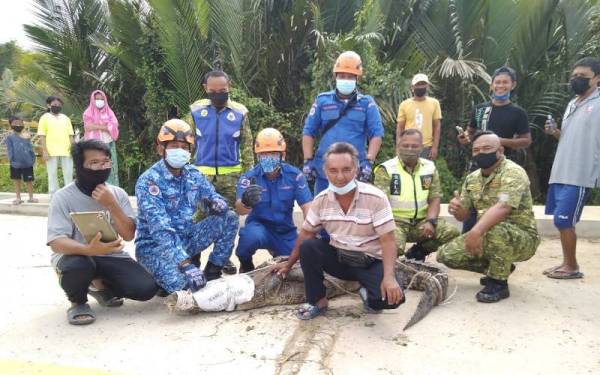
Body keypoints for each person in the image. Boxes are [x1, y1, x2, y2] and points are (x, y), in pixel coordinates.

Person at [272, 142, 404, 319]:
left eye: (346, 170)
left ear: (356, 169)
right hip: (339, 259)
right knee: (309, 246)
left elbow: (388, 241)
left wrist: (389, 277)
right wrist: (288, 264)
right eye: (333, 171)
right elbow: (306, 234)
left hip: (370, 261)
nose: (340, 177)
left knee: (392, 300)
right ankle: (317, 300)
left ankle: (367, 291)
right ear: (325, 172)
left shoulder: (376, 198)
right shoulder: (321, 200)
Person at [47, 139, 157, 325]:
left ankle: (100, 287)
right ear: (79, 166)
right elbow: (56, 242)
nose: (102, 167)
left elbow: (129, 234)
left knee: (146, 289)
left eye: (106, 162)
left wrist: (111, 205)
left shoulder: (118, 193)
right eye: (94, 163)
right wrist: (89, 249)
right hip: (76, 256)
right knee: (76, 266)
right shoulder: (63, 197)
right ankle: (78, 302)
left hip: (111, 255)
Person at [135, 119, 239, 295]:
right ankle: (167, 276)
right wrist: (185, 264)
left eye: (184, 147)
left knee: (229, 217)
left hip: (187, 239)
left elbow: (210, 196)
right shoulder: (148, 181)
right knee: (188, 291)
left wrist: (216, 202)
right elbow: (161, 230)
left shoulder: (193, 174)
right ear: (161, 148)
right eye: (174, 146)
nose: (180, 151)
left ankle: (213, 271)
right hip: (156, 249)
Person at [437, 132, 539, 303]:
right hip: (487, 235)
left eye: (486, 148)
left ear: (500, 151)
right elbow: (464, 216)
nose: (480, 153)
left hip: (521, 238)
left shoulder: (513, 172)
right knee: (446, 255)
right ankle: (499, 267)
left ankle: (498, 283)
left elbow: (503, 207)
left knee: (494, 228)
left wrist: (475, 232)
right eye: (476, 150)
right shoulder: (472, 179)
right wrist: (457, 209)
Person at [188, 70, 253, 274]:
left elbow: (247, 147)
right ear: (205, 89)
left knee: (228, 219)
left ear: (229, 87)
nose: (218, 94)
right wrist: (187, 174)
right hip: (201, 178)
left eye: (222, 91)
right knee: (198, 219)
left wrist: (248, 178)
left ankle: (222, 259)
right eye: (213, 91)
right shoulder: (196, 111)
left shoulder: (240, 112)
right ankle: (193, 259)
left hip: (231, 178)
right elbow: (188, 144)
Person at [542, 57, 600, 279]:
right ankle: (566, 263)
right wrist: (555, 131)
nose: (576, 80)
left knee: (563, 220)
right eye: (574, 76)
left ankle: (572, 266)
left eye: (582, 77)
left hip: (581, 174)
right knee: (561, 221)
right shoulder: (571, 103)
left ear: (597, 78)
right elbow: (567, 137)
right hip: (561, 171)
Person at [457, 66, 531, 233]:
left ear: (513, 85)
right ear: (491, 85)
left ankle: (498, 249)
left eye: (505, 82)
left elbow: (526, 140)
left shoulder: (518, 113)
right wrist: (464, 138)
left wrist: (498, 142)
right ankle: (467, 242)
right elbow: (470, 133)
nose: (500, 86)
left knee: (500, 205)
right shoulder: (480, 109)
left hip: (504, 166)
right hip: (478, 165)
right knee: (472, 204)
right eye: (497, 82)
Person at [302, 51, 384, 194]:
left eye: (350, 76)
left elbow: (376, 134)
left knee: (354, 212)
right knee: (323, 210)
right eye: (342, 75)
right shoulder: (322, 101)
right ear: (335, 76)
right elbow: (309, 132)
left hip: (355, 170)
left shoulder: (367, 103)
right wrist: (308, 160)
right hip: (324, 170)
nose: (346, 79)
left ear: (357, 78)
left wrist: (369, 161)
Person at [234, 128, 312, 273]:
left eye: (273, 153)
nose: (268, 157)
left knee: (298, 263)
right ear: (257, 156)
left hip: (285, 231)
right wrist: (246, 201)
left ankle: (279, 253)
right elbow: (240, 209)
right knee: (248, 238)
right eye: (264, 154)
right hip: (260, 228)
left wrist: (310, 234)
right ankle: (245, 263)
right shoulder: (249, 178)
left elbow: (308, 207)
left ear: (282, 155)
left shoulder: (295, 176)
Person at [374, 129, 459, 260]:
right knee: (394, 248)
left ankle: (417, 252)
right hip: (395, 222)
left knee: (451, 232)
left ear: (422, 147)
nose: (410, 149)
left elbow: (435, 198)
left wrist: (431, 221)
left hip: (421, 222)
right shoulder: (386, 169)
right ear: (398, 146)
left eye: (414, 146)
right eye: (405, 145)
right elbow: (380, 204)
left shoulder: (429, 167)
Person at [396, 74, 442, 160]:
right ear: (412, 87)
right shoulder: (404, 104)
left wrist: (435, 147)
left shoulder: (434, 103)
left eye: (423, 84)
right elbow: (400, 128)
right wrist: (398, 147)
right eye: (418, 84)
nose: (420, 86)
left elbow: (437, 127)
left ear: (427, 86)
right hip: (408, 146)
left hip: (426, 147)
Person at [38, 96, 75, 195]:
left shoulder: (66, 118)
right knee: (52, 174)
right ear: (48, 105)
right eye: (54, 105)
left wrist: (73, 149)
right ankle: (53, 196)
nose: (57, 106)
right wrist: (44, 151)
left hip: (66, 150)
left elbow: (71, 135)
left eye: (59, 105)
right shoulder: (44, 118)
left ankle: (69, 195)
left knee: (68, 174)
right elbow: (42, 136)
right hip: (51, 151)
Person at [83, 90, 120, 186]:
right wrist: (105, 127)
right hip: (94, 145)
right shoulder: (88, 113)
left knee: (109, 166)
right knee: (95, 166)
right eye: (97, 99)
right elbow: (88, 127)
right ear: (92, 100)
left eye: (101, 99)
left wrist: (97, 126)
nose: (99, 101)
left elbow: (114, 126)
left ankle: (112, 188)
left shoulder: (109, 112)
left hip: (108, 143)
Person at [4, 115, 37, 204]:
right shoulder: (9, 137)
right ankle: (18, 198)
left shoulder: (27, 136)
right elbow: (9, 149)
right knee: (17, 180)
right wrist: (11, 161)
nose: (18, 125)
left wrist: (33, 159)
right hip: (15, 163)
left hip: (27, 163)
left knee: (29, 180)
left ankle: (31, 197)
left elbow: (30, 148)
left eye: (20, 123)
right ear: (11, 125)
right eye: (15, 123)